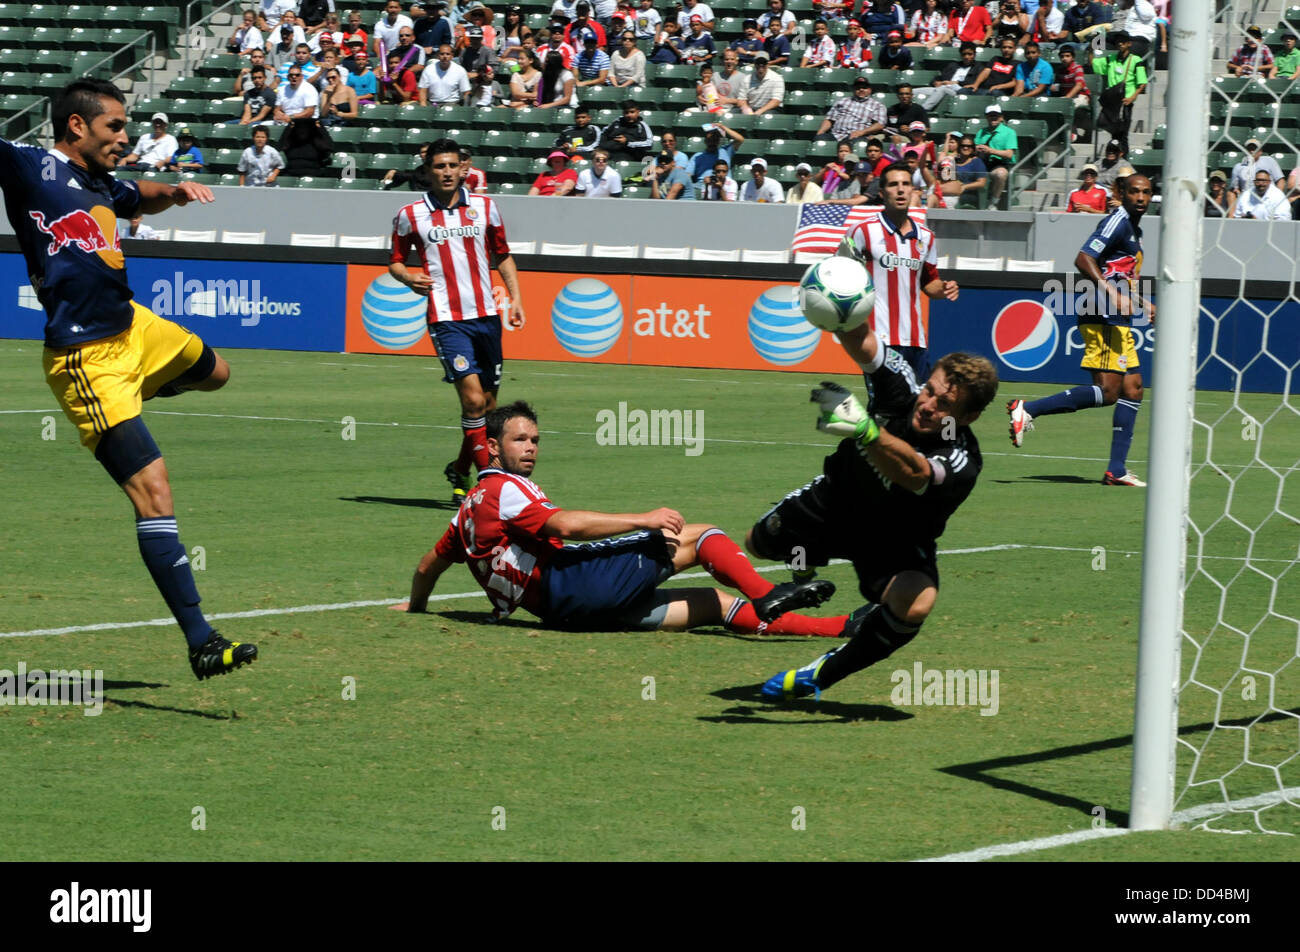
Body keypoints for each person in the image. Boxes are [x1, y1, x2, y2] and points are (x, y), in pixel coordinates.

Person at [4, 79, 256, 679]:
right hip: (86, 358)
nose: (125, 136)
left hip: (134, 328)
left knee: (218, 373)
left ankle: (134, 400)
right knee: (155, 492)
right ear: (76, 127)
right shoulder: (28, 166)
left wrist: (172, 191)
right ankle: (201, 639)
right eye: (115, 126)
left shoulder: (101, 183)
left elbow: (137, 196)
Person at [395, 401, 846, 638]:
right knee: (697, 534)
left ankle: (844, 627)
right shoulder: (504, 488)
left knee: (715, 603)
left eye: (535, 439)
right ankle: (769, 594)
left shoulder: (465, 513)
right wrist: (642, 519)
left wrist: (414, 606)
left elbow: (426, 567)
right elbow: (565, 527)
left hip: (567, 615)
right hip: (577, 588)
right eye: (519, 440)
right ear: (492, 448)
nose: (531, 447)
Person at [750, 327, 999, 702]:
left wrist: (867, 431)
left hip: (894, 538)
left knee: (917, 600)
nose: (928, 405)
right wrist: (841, 312)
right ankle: (803, 578)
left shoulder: (962, 459)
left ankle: (822, 673)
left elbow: (913, 473)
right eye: (929, 390)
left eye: (945, 405)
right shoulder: (901, 387)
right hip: (835, 501)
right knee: (757, 543)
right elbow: (863, 343)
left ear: (969, 416)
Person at [388, 138, 525, 503]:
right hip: (447, 320)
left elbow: (503, 255)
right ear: (428, 170)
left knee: (490, 408)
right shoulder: (410, 215)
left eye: (452, 165)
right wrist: (407, 277)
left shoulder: (485, 207)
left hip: (486, 317)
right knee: (473, 403)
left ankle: (460, 469)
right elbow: (396, 260)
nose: (447, 172)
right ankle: (489, 485)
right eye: (440, 166)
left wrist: (515, 298)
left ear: (463, 168)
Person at [1007, 174, 1156, 486]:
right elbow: (1083, 258)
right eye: (1134, 192)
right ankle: (1027, 409)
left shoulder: (1134, 227)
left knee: (1134, 389)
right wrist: (1113, 294)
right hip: (1101, 311)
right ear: (1122, 193)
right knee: (1109, 392)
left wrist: (1141, 301)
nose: (1140, 197)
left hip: (1116, 314)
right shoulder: (1117, 220)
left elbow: (1118, 272)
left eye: (1146, 192)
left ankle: (1116, 470)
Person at [842, 163, 959, 378]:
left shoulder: (925, 236)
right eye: (894, 184)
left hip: (916, 341)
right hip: (879, 341)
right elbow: (840, 275)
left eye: (906, 184)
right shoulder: (862, 231)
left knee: (922, 409)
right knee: (889, 409)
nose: (901, 189)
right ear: (881, 192)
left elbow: (929, 283)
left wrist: (944, 288)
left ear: (913, 191)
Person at [1093, 30, 1147, 153]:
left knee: (1123, 134)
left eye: (1123, 42)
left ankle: (1124, 159)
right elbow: (1095, 64)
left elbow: (1142, 82)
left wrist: (1132, 98)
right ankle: (1117, 158)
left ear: (1129, 44)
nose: (1120, 44)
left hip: (1125, 102)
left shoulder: (1136, 60)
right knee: (1114, 134)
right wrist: (1094, 45)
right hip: (1112, 102)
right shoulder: (1110, 59)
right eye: (1118, 42)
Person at [817, 75, 887, 143]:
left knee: (858, 143)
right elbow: (829, 119)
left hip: (859, 136)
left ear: (870, 89)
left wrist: (862, 132)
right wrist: (820, 132)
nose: (861, 89)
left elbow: (879, 125)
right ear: (853, 89)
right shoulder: (842, 101)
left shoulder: (877, 105)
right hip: (837, 135)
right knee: (820, 139)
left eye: (864, 87)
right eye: (858, 87)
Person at [914, 41, 981, 110]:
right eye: (964, 54)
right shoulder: (953, 65)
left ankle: (923, 109)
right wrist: (936, 82)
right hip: (942, 88)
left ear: (974, 54)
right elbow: (939, 77)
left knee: (942, 89)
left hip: (957, 91)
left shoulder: (978, 67)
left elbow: (972, 82)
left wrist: (956, 83)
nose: (966, 57)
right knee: (912, 91)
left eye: (970, 54)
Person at [973, 103, 1017, 207]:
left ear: (1001, 117)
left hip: (999, 163)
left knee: (1001, 174)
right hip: (982, 163)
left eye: (996, 115)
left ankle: (993, 202)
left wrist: (991, 151)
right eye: (990, 115)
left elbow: (1009, 154)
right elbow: (974, 147)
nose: (993, 118)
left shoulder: (1009, 132)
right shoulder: (981, 131)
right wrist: (977, 149)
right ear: (986, 117)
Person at [1228, 137, 1284, 204]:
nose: (1251, 151)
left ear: (1260, 151)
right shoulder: (1238, 167)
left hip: (1268, 199)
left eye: (1254, 149)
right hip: (1247, 200)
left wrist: (1277, 198)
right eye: (1249, 149)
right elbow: (1234, 188)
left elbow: (1281, 181)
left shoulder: (1269, 161)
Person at [938, 134, 987, 206]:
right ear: (959, 147)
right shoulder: (952, 160)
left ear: (973, 148)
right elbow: (945, 177)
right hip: (951, 193)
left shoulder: (976, 162)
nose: (965, 148)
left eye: (969, 146)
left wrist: (963, 187)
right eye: (963, 145)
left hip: (968, 195)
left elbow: (981, 183)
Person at [741, 51, 784, 115]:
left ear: (768, 64)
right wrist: (747, 110)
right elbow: (741, 99)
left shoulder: (777, 78)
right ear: (754, 64)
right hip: (752, 108)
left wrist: (759, 111)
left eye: (764, 62)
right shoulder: (746, 79)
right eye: (758, 62)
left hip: (770, 109)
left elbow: (776, 101)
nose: (761, 65)